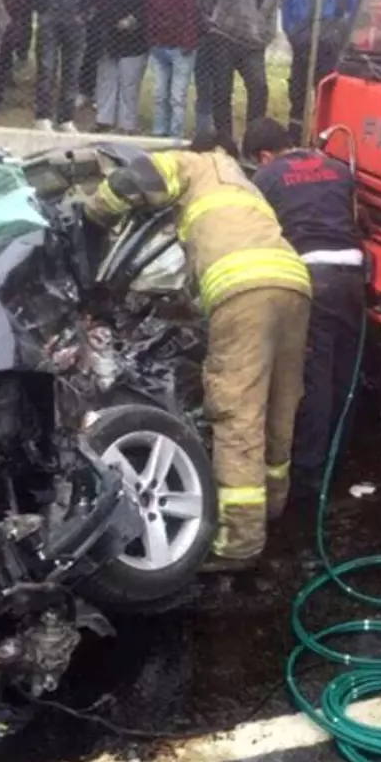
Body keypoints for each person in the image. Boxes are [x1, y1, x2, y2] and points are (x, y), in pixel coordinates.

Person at [83, 138, 312, 572]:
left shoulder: (192, 163)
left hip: (241, 288)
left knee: (235, 412)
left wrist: (92, 216)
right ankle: (272, 506)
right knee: (279, 403)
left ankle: (239, 543)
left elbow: (134, 179)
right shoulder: (245, 187)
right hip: (292, 283)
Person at [243, 116, 363, 514]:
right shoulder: (337, 167)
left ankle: (309, 480)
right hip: (352, 277)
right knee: (344, 378)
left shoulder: (267, 178)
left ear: (264, 155)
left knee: (313, 381)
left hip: (312, 277)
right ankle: (338, 467)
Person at [281, 0, 355, 142]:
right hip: (302, 43)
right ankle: (294, 138)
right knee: (297, 94)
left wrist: (334, 38)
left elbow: (350, 13)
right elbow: (287, 8)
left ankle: (322, 141)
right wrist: (292, 33)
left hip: (328, 49)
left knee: (325, 97)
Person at [207, 0, 277, 140]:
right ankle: (224, 140)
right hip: (225, 38)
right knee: (222, 91)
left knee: (260, 88)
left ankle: (252, 141)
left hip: (253, 44)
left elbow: (272, 11)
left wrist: (266, 36)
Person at [28, 0, 88, 132]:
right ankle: (43, 115)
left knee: (72, 70)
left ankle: (66, 118)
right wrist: (41, 5)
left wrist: (85, 11)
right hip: (50, 15)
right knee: (47, 67)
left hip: (76, 17)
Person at [145, 0, 199, 139]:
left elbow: (191, 11)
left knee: (177, 96)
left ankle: (175, 135)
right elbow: (147, 6)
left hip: (181, 46)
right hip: (158, 44)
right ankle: (159, 133)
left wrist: (187, 42)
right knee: (159, 94)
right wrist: (151, 37)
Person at [94, 0, 149, 135]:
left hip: (133, 40)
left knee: (129, 82)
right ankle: (104, 119)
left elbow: (145, 6)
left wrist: (130, 21)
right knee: (107, 78)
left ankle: (127, 124)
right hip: (109, 36)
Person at [184, 0, 217, 136]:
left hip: (208, 34)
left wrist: (209, 24)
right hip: (184, 33)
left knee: (206, 83)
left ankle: (204, 130)